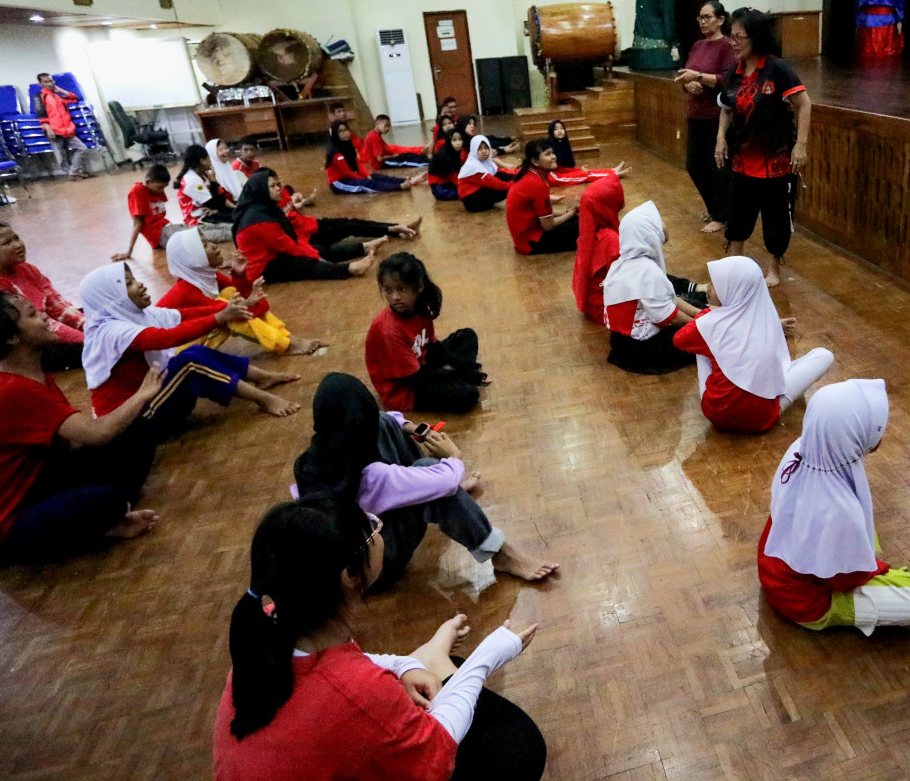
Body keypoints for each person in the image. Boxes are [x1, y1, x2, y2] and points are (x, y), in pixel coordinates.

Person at [212, 495, 547, 781]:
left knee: (444, 670)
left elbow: (356, 670)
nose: (377, 529)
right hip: (403, 734)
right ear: (348, 575)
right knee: (519, 743)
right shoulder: (357, 690)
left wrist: (404, 665)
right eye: (370, 529)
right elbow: (437, 750)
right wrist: (488, 655)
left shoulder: (259, 648)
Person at [0, 291, 163, 562]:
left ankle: (109, 512)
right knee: (106, 498)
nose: (44, 315)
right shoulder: (11, 390)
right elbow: (96, 434)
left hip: (38, 487)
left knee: (136, 431)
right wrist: (141, 395)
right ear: (12, 338)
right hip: (1, 532)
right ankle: (110, 516)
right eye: (32, 314)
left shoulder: (29, 376)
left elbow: (78, 439)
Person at [294, 373, 559, 587]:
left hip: (357, 546)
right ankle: (501, 555)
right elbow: (444, 480)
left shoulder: (312, 460)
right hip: (376, 568)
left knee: (386, 424)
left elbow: (384, 420)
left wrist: (417, 430)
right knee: (438, 479)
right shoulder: (373, 477)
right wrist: (453, 456)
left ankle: (424, 484)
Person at [759, 379, 910, 632]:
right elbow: (844, 580)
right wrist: (878, 569)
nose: (884, 431)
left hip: (773, 568)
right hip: (806, 602)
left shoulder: (801, 449)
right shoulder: (839, 509)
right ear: (852, 435)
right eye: (877, 426)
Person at [79, 263, 301, 428]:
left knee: (195, 352)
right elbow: (167, 338)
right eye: (128, 283)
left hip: (147, 400)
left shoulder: (134, 315)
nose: (140, 285)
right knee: (189, 362)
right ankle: (264, 400)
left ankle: (261, 377)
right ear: (110, 296)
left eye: (134, 279)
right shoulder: (109, 332)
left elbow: (182, 315)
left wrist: (227, 309)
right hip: (130, 422)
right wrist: (220, 316)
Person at [674, 256, 834, 433]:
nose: (709, 288)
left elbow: (679, 340)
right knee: (824, 355)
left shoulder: (708, 321)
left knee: (702, 342)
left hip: (717, 414)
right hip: (762, 419)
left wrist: (707, 314)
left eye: (716, 285)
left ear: (732, 289)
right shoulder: (764, 315)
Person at [716, 8, 813, 287]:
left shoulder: (777, 69)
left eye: (738, 37)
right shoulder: (733, 72)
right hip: (741, 160)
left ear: (755, 37)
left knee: (776, 219)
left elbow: (804, 104)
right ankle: (736, 265)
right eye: (730, 36)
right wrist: (720, 139)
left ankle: (774, 270)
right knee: (737, 216)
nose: (733, 42)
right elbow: (726, 108)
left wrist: (801, 146)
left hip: (774, 161)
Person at [159, 229, 322, 356]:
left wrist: (239, 276)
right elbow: (233, 311)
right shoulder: (185, 291)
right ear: (191, 257)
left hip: (195, 338)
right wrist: (247, 302)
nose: (214, 246)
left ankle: (286, 337)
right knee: (228, 308)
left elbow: (257, 304)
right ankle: (284, 345)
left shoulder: (210, 278)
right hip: (168, 354)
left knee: (230, 296)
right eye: (204, 245)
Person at [233, 170, 412, 282]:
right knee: (306, 263)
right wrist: (317, 258)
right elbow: (287, 245)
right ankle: (350, 269)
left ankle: (365, 246)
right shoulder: (259, 218)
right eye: (272, 186)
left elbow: (290, 240)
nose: (278, 189)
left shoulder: (266, 208)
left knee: (320, 248)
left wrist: (314, 252)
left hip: (281, 249)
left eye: (278, 184)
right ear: (260, 190)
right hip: (263, 268)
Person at [366, 253, 487, 413]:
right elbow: (414, 377)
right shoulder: (389, 330)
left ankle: (461, 375)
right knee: (469, 394)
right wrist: (458, 374)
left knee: (466, 336)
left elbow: (432, 345)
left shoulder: (421, 308)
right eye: (388, 290)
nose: (395, 297)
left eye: (401, 289)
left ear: (419, 287)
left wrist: (459, 367)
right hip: (405, 388)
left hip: (420, 363)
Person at [0, 221, 84, 371]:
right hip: (20, 349)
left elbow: (58, 307)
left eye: (16, 238)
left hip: (39, 328)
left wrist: (91, 327)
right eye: (7, 242)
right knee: (94, 350)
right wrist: (91, 339)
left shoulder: (26, 269)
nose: (18, 245)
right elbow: (26, 330)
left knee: (101, 313)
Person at [602, 201, 708, 375]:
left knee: (697, 305)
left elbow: (670, 298)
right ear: (648, 234)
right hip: (644, 349)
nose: (664, 226)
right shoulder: (647, 271)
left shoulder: (623, 263)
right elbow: (671, 317)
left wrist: (699, 314)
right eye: (658, 223)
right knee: (701, 339)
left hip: (622, 341)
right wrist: (705, 329)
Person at [675, 1, 737, 233]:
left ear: (720, 20)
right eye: (699, 18)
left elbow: (728, 80)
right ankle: (715, 208)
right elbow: (685, 76)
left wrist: (699, 77)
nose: (702, 22)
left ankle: (721, 215)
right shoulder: (697, 46)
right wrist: (688, 84)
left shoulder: (727, 46)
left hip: (717, 116)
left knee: (717, 167)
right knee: (694, 166)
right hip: (696, 114)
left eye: (707, 17)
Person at [505, 140, 579, 255]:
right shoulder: (536, 183)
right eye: (548, 154)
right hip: (531, 242)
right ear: (535, 161)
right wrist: (570, 213)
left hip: (526, 238)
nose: (554, 157)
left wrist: (568, 212)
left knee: (577, 220)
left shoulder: (531, 175)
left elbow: (538, 215)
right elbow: (548, 225)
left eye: (552, 153)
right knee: (581, 226)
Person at [570, 173, 625, 323]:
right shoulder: (611, 240)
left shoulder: (593, 233)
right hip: (606, 308)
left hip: (595, 303)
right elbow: (630, 283)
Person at [112, 163, 185, 261]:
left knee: (198, 231)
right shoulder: (137, 192)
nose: (162, 191)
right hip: (157, 234)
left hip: (166, 226)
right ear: (148, 182)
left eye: (164, 187)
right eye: (159, 187)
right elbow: (137, 224)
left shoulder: (156, 190)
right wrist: (129, 252)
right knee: (193, 238)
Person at [326, 122, 422, 195]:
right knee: (366, 183)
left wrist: (367, 174)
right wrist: (365, 177)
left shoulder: (349, 145)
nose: (345, 133)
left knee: (376, 176)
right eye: (341, 131)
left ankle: (406, 180)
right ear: (335, 134)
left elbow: (358, 164)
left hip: (352, 176)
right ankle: (399, 186)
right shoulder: (335, 152)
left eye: (346, 130)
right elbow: (347, 172)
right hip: (339, 183)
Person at [173, 145, 234, 244]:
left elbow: (219, 200)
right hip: (199, 220)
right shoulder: (191, 180)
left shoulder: (203, 175)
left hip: (210, 212)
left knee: (237, 216)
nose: (211, 160)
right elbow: (216, 202)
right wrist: (214, 182)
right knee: (233, 230)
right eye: (208, 158)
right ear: (202, 161)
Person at [33, 72, 89, 179]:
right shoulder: (40, 97)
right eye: (46, 82)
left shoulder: (57, 96)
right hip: (54, 130)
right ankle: (70, 174)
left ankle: (73, 171)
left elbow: (75, 99)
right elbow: (41, 114)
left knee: (82, 148)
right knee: (61, 155)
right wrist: (48, 129)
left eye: (51, 81)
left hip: (67, 129)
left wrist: (61, 91)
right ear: (40, 84)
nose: (49, 83)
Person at [543, 121, 630, 186]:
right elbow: (552, 168)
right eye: (556, 129)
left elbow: (563, 168)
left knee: (584, 170)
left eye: (561, 128)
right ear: (551, 132)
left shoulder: (562, 143)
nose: (559, 131)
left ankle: (612, 171)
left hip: (559, 171)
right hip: (552, 177)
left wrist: (579, 169)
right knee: (584, 174)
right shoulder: (548, 145)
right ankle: (615, 175)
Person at [456, 135, 520, 212]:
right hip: (473, 202)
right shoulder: (473, 166)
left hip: (479, 190)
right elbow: (495, 184)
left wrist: (518, 175)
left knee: (501, 176)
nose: (484, 151)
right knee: (505, 189)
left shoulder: (484, 161)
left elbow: (499, 173)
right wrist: (515, 185)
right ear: (473, 150)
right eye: (479, 149)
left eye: (486, 148)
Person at [362, 114, 431, 171]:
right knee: (406, 160)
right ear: (377, 124)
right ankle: (430, 163)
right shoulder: (374, 137)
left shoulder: (375, 134)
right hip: (383, 163)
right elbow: (379, 158)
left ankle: (429, 159)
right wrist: (393, 156)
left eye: (389, 126)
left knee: (407, 155)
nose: (387, 128)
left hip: (388, 158)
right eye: (386, 126)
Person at [427, 129, 464, 201]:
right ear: (449, 141)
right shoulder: (444, 155)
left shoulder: (461, 151)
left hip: (450, 181)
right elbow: (452, 175)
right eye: (454, 140)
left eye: (460, 139)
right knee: (463, 193)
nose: (458, 143)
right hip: (438, 184)